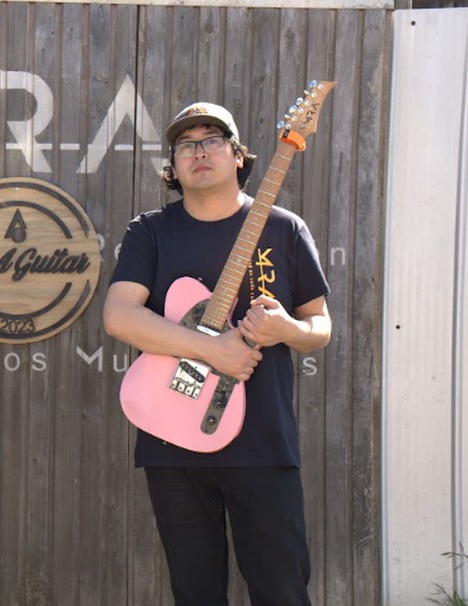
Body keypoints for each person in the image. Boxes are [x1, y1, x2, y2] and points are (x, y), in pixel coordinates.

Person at [103, 102, 331, 606]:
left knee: (282, 588)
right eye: (186, 144)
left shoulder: (284, 229)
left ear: (237, 156)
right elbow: (119, 317)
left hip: (263, 444)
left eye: (212, 139)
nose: (198, 151)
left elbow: (320, 326)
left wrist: (285, 328)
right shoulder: (150, 231)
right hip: (172, 438)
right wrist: (215, 350)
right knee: (195, 591)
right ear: (174, 164)